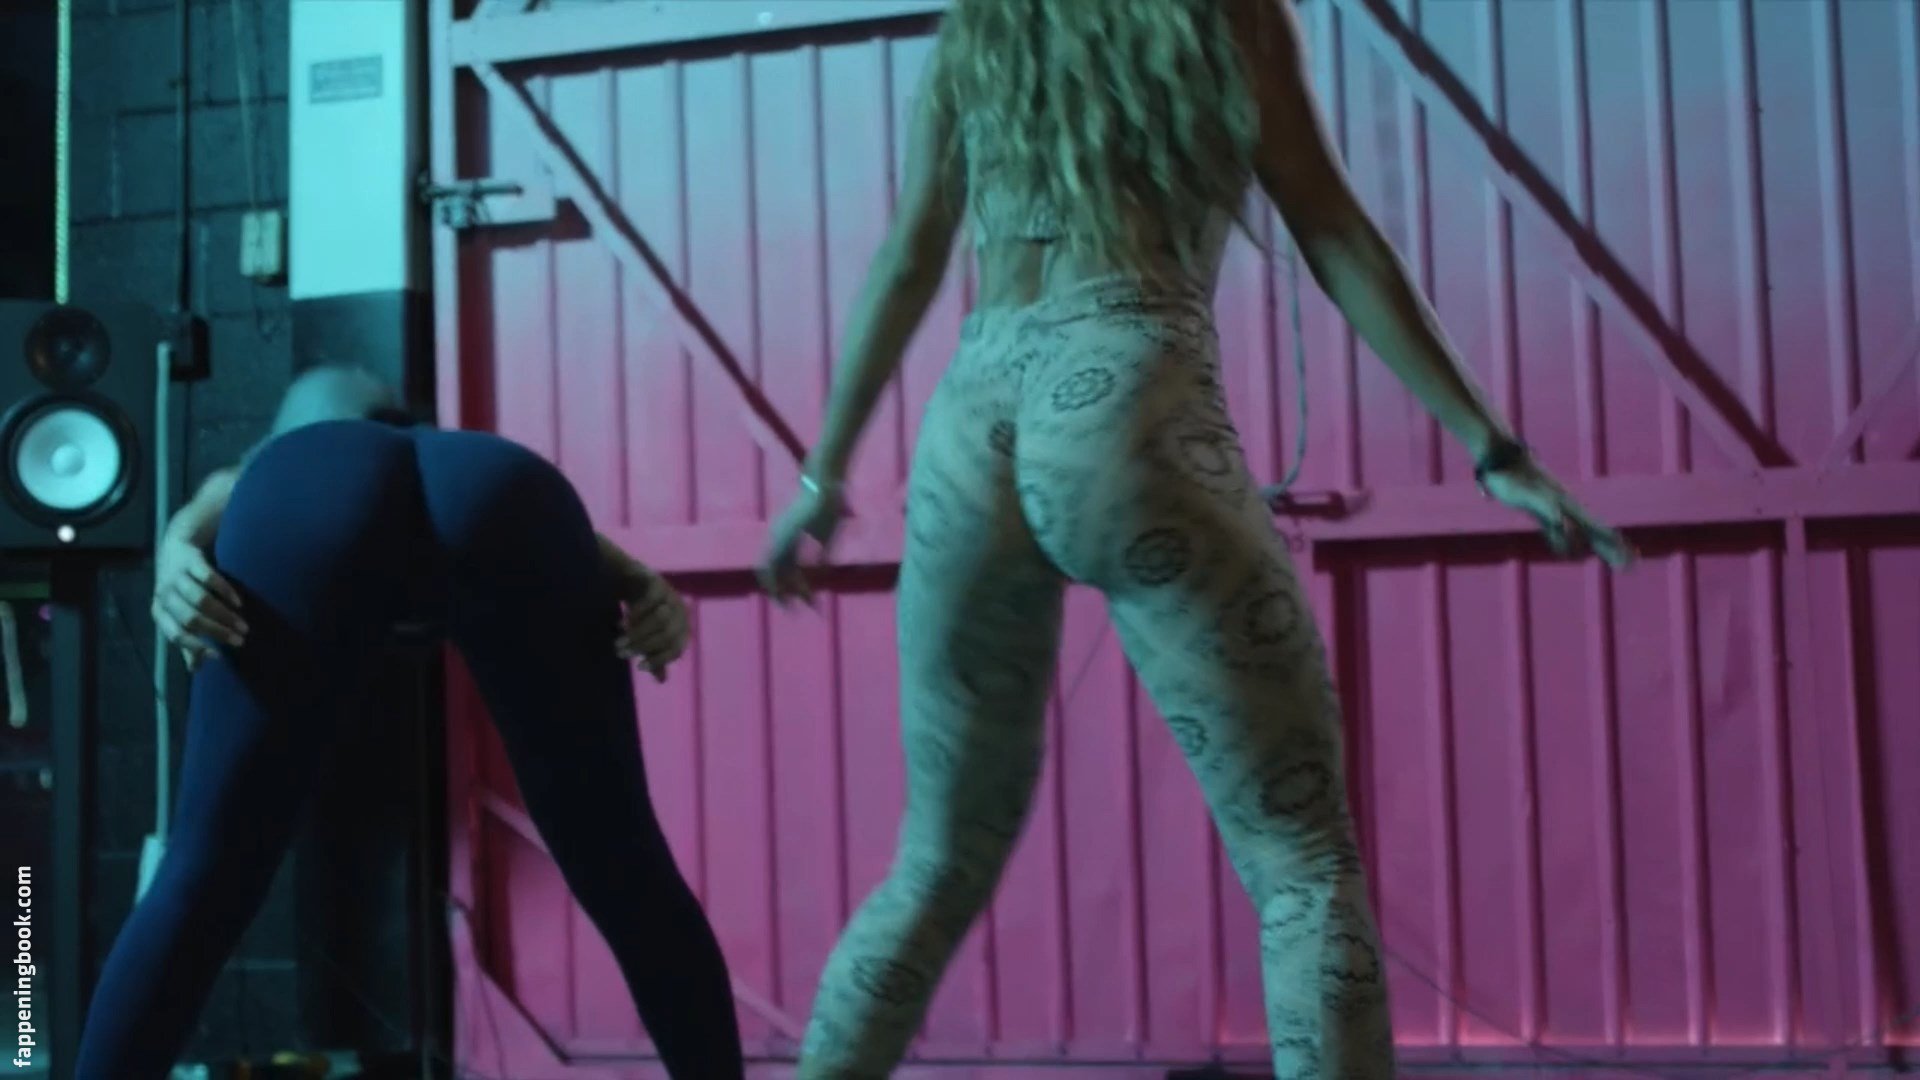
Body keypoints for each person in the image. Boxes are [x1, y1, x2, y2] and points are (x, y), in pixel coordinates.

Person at [757, 0, 1633, 1075]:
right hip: (1127, 389)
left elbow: (907, 258)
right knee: (1302, 865)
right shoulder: (1231, 14)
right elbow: (1331, 228)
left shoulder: (987, 24)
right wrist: (1491, 448)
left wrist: (823, 476)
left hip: (970, 419)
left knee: (933, 862)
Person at [79, 365, 745, 1079]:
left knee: (206, 867)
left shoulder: (291, 458)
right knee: (623, 861)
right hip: (507, 482)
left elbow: (228, 487)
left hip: (314, 493)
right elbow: (568, 541)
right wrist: (641, 581)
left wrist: (176, 547)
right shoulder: (445, 450)